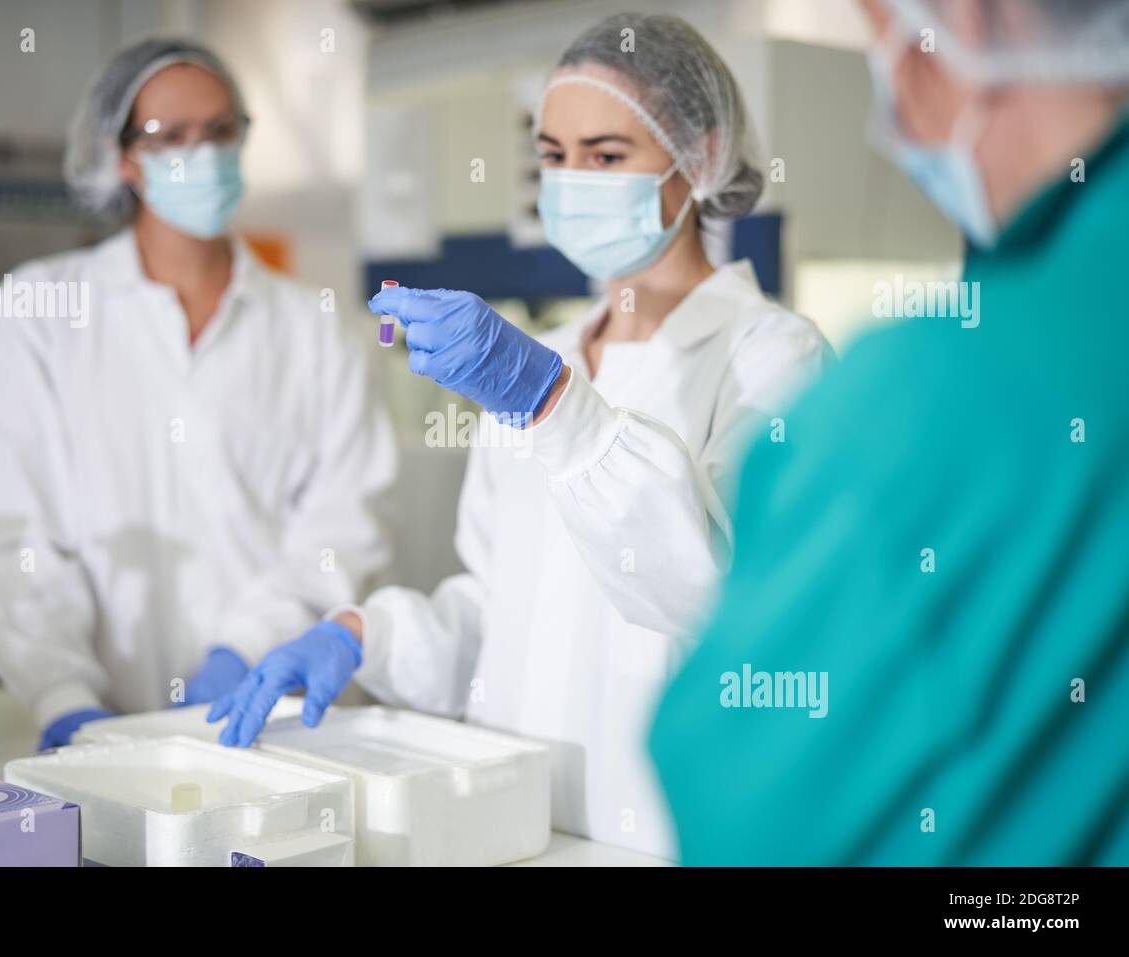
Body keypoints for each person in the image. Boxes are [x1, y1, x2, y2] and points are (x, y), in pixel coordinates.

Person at [211, 14, 832, 857]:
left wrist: (551, 405)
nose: (572, 181)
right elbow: (498, 603)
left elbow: (719, 593)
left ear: (701, 154)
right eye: (551, 154)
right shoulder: (549, 358)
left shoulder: (771, 356)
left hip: (665, 836)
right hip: (515, 829)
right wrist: (364, 635)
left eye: (607, 156)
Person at [650, 0, 1129, 865]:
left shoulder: (918, 399)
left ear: (981, 22)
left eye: (885, 35)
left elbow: (751, 806)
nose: (891, 98)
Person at [0, 40, 395, 750]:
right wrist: (64, 698)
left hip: (272, 717)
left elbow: (345, 523)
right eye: (171, 136)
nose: (205, 152)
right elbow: (15, 535)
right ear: (122, 155)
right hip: (96, 730)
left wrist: (247, 647)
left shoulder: (315, 325)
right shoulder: (44, 308)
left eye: (221, 130)